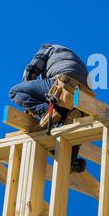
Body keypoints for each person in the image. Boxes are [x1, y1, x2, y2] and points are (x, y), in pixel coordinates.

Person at [9, 44, 90, 173]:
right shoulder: (69, 57)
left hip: (64, 82)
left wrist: (31, 109)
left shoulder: (48, 48)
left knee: (15, 92)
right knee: (67, 123)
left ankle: (47, 112)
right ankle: (72, 161)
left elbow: (30, 72)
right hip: (83, 97)